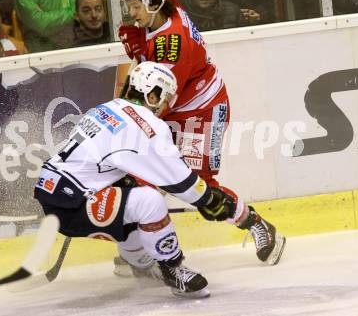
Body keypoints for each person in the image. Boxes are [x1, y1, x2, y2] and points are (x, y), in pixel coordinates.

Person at [117, 0, 285, 273]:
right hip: (176, 103)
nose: (131, 12)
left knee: (196, 186)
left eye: (136, 5)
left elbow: (158, 103)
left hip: (201, 110)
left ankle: (257, 224)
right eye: (129, 4)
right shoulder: (165, 11)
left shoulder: (172, 46)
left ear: (154, 2)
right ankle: (138, 247)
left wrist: (127, 128)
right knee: (138, 177)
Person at [35, 61, 222, 298]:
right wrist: (210, 200)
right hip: (74, 201)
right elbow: (182, 183)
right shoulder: (147, 124)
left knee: (131, 193)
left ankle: (140, 264)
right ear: (152, 94)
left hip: (53, 191)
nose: (165, 107)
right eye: (165, 99)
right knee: (149, 201)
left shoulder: (107, 107)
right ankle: (173, 270)